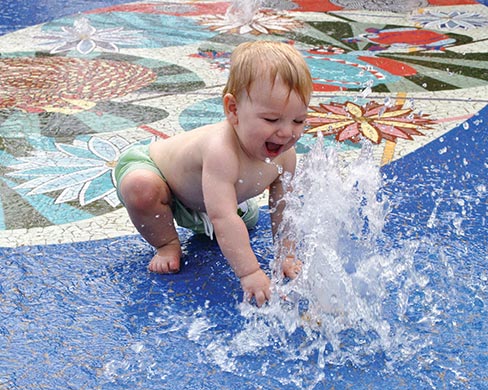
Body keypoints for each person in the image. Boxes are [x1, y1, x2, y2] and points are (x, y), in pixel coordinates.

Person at [114, 40, 313, 306]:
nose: (287, 132)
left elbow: (283, 206)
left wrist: (286, 254)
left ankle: (221, 211)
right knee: (141, 188)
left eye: (298, 120)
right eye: (271, 120)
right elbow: (223, 217)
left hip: (207, 200)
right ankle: (166, 243)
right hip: (161, 180)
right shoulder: (221, 150)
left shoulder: (285, 154)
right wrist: (250, 271)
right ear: (233, 110)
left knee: (244, 219)